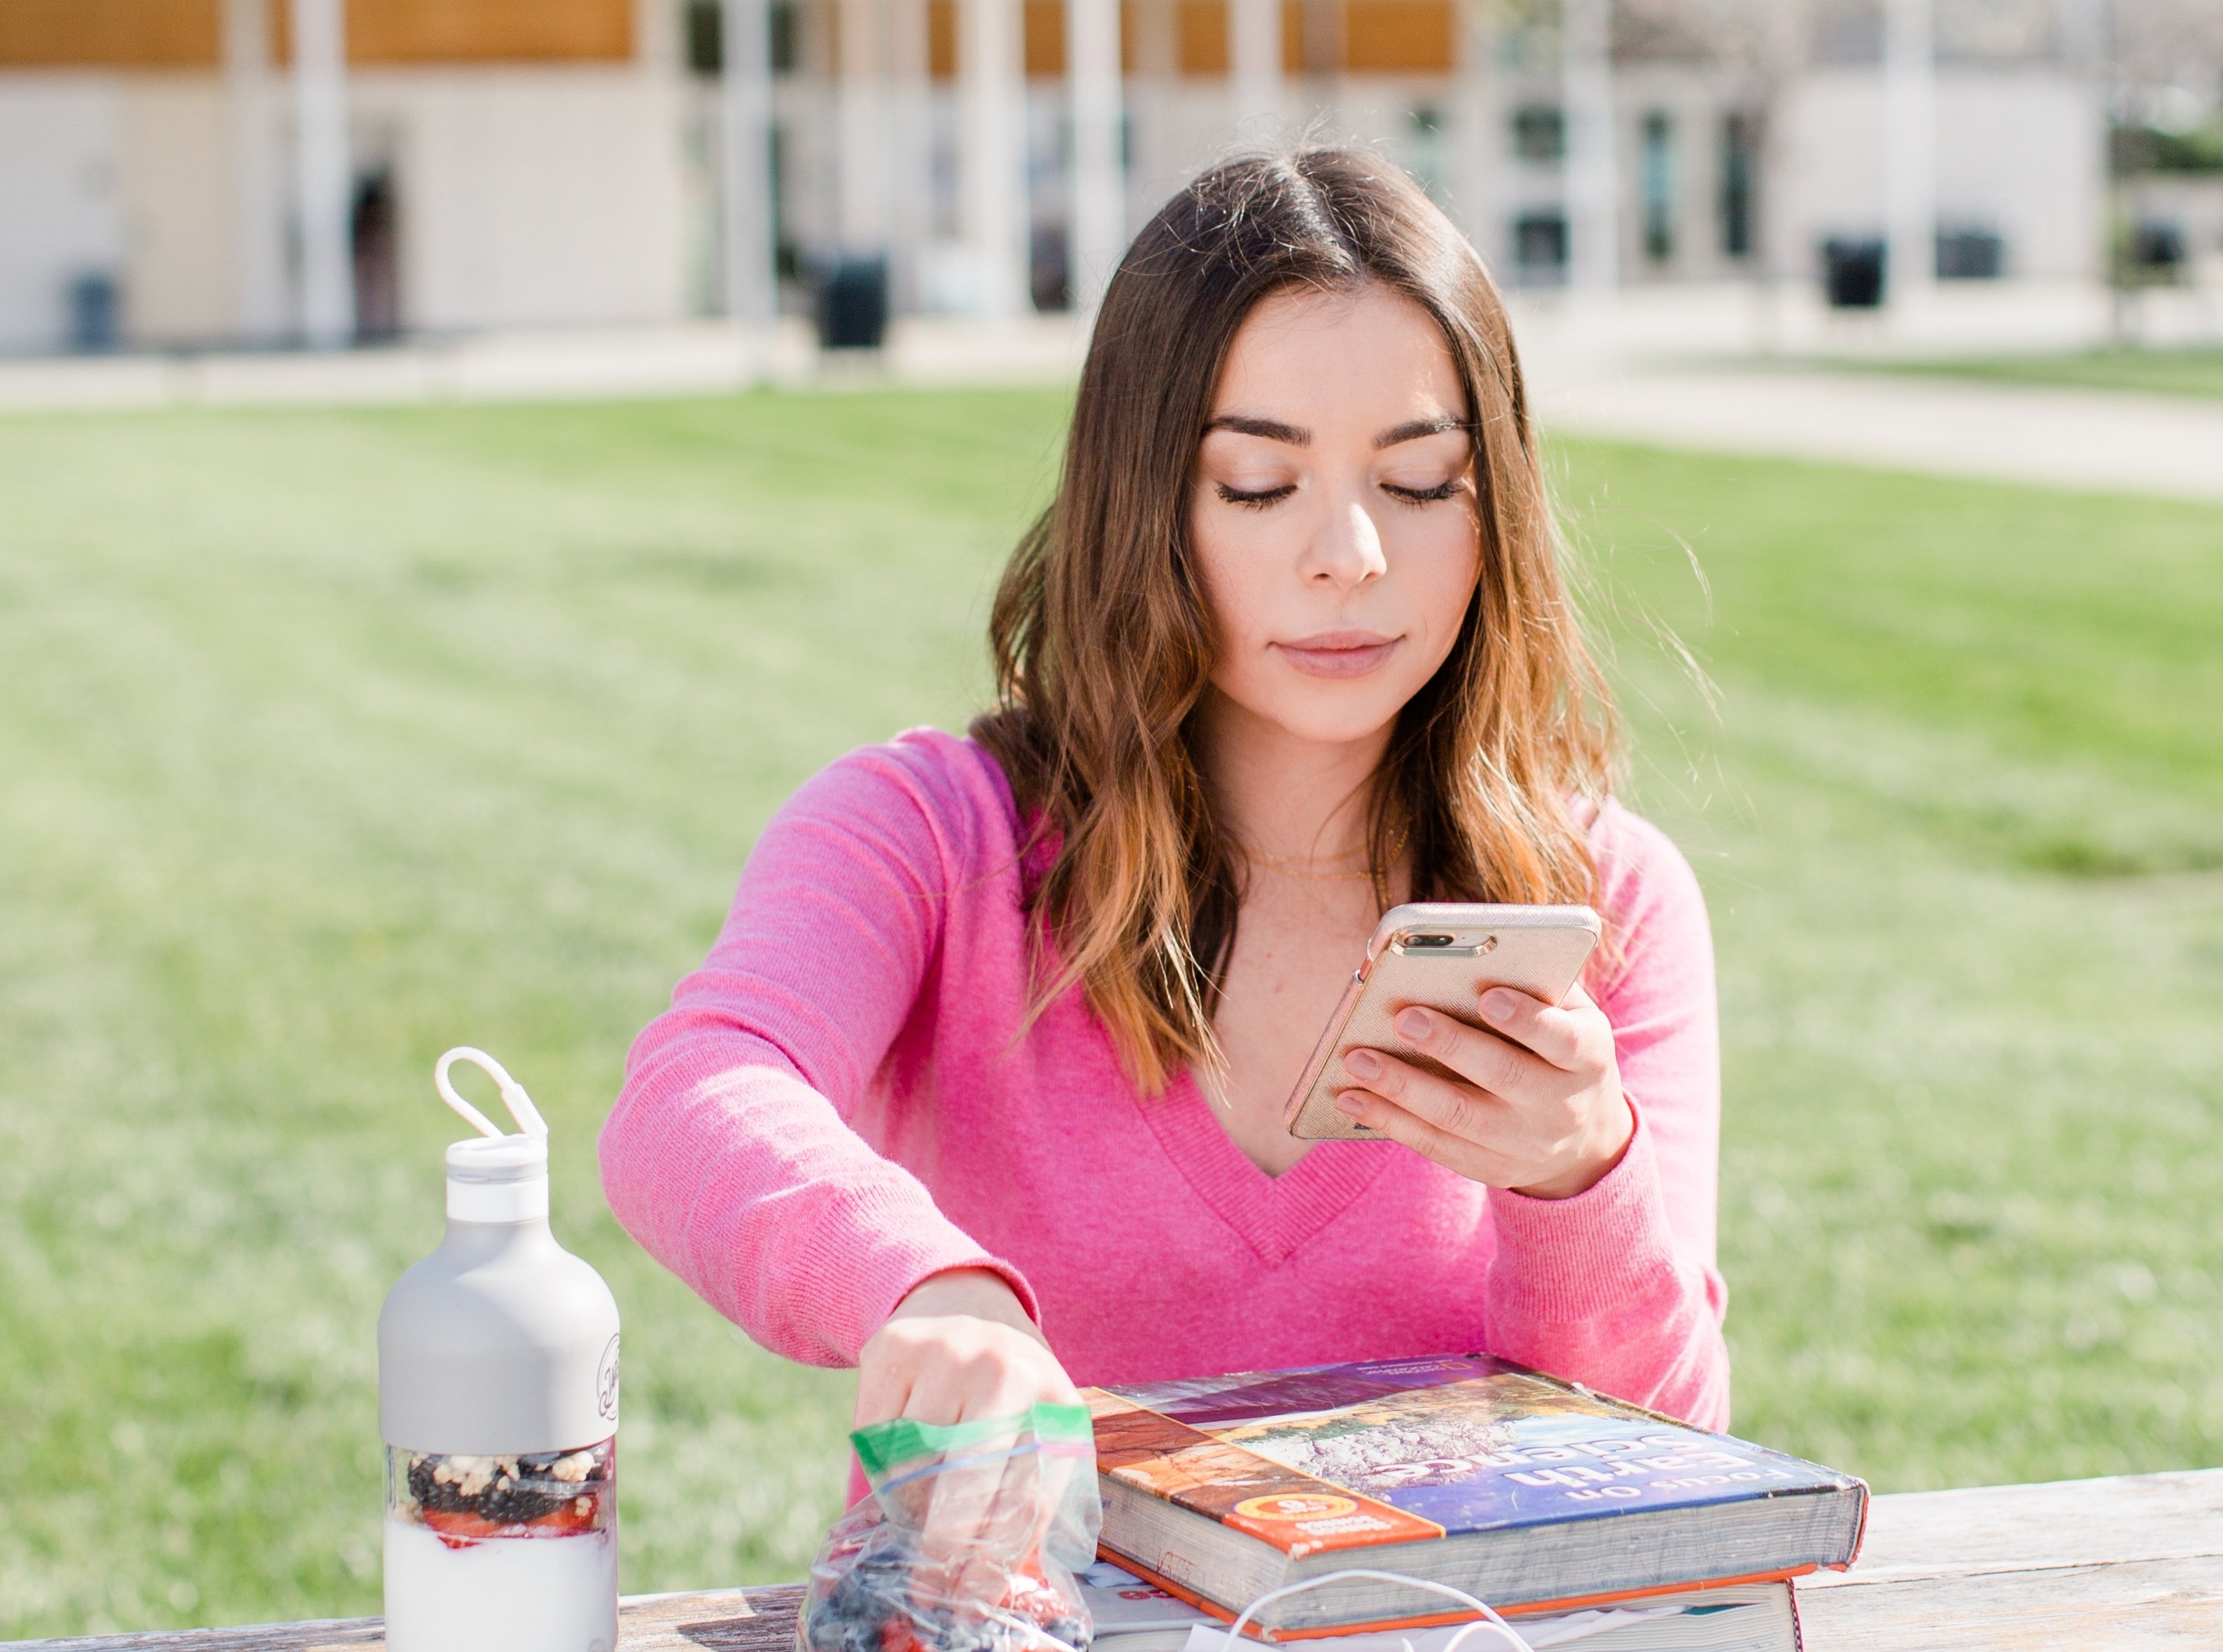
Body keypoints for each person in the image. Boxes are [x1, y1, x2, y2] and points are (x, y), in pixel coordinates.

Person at [598, 150, 1727, 1462]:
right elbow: (693, 1093)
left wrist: (1581, 1172)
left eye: (1421, 481)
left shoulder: (1608, 900)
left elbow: (1661, 1451)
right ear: (1146, 504)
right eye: (1258, 482)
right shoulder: (930, 836)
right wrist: (924, 1289)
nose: (1350, 556)